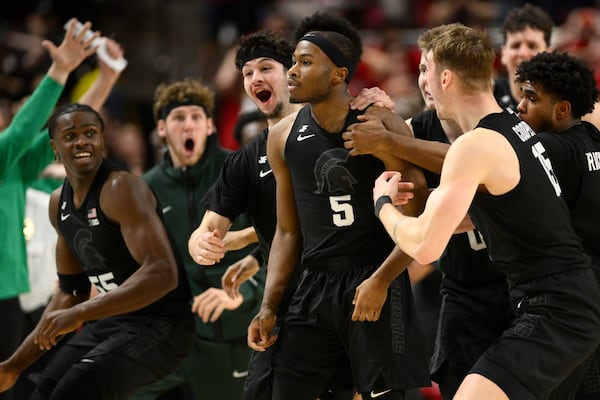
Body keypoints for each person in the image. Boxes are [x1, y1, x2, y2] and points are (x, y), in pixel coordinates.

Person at [372, 23, 600, 400]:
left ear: (445, 77)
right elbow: (471, 219)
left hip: (557, 308)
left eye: (425, 70)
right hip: (560, 302)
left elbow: (426, 248)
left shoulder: (475, 145)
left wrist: (383, 205)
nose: (423, 81)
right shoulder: (518, 130)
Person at [187, 30, 398, 400]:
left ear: (290, 74)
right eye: (247, 73)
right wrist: (203, 243)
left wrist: (248, 244)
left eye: (266, 68)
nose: (256, 79)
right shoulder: (248, 159)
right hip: (292, 304)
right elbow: (272, 228)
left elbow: (333, 214)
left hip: (356, 290)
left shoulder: (356, 122)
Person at [247, 12, 431, 399]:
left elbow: (420, 215)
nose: (292, 71)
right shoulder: (281, 137)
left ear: (338, 74)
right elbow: (286, 231)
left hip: (375, 278)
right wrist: (268, 305)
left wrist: (383, 280)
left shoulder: (380, 123)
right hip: (314, 286)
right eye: (294, 62)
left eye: (305, 62)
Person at [0, 102, 195, 399]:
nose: (81, 141)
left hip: (162, 324)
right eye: (70, 135)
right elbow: (71, 292)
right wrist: (13, 366)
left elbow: (164, 273)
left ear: (102, 140)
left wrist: (81, 312)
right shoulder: (58, 203)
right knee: (40, 392)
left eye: (90, 133)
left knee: (76, 391)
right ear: (54, 147)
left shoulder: (121, 188)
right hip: (112, 320)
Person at [0, 20, 125, 400]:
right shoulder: (6, 157)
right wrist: (59, 70)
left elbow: (64, 130)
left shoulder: (12, 168)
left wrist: (106, 79)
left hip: (12, 295)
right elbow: (21, 132)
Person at [133, 78, 262, 400]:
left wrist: (242, 292)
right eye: (178, 118)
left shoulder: (238, 169)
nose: (187, 125)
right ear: (161, 129)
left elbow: (277, 241)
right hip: (180, 334)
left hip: (242, 328)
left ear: (209, 126)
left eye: (195, 117)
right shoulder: (144, 188)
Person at [515, 50, 600, 400]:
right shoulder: (593, 139)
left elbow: (481, 159)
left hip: (570, 299)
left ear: (562, 109)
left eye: (531, 98)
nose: (520, 106)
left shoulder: (550, 148)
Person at [494, 3, 554, 111]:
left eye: (532, 46)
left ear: (549, 53)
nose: (523, 53)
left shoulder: (562, 98)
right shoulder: (490, 95)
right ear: (503, 54)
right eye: (515, 46)